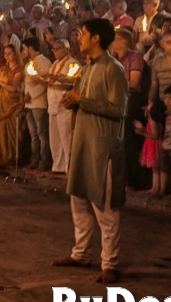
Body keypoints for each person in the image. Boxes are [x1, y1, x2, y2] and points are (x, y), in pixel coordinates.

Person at [52, 19, 128, 284]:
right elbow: (84, 102)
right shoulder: (85, 68)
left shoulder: (113, 69)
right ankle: (81, 253)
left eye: (82, 34)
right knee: (79, 202)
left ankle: (110, 263)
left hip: (102, 146)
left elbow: (118, 110)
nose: (78, 38)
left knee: (105, 208)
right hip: (82, 143)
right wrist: (73, 102)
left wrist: (83, 101)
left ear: (96, 38)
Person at [110, 27, 148, 190]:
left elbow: (134, 83)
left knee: (127, 140)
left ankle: (134, 180)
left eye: (115, 39)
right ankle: (120, 178)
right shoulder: (113, 57)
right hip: (116, 99)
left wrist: (115, 85)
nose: (112, 43)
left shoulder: (135, 57)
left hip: (130, 100)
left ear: (124, 41)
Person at [0, 44, 25, 168]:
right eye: (5, 54)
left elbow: (14, 88)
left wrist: (2, 84)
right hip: (2, 101)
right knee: (0, 130)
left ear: (15, 54)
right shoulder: (3, 68)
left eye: (9, 53)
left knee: (13, 132)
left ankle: (12, 157)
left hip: (13, 104)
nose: (6, 56)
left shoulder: (18, 70)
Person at [45, 39, 79, 175]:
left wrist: (51, 79)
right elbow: (50, 83)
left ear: (67, 49)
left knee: (66, 138)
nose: (56, 51)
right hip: (53, 106)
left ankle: (68, 168)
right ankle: (58, 166)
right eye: (54, 48)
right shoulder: (54, 64)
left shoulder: (73, 63)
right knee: (55, 138)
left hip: (65, 106)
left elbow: (71, 83)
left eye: (59, 48)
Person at [22, 37, 52, 173]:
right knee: (33, 134)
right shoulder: (29, 65)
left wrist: (31, 95)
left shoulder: (44, 62)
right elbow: (27, 83)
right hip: (29, 104)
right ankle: (35, 160)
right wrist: (26, 95)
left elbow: (45, 84)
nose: (23, 51)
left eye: (24, 48)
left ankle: (44, 161)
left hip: (39, 103)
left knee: (42, 135)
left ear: (31, 48)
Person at [135, 100, 165, 196]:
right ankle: (155, 187)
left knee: (157, 168)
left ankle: (157, 188)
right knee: (155, 169)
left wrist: (143, 133)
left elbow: (155, 136)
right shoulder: (152, 120)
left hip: (154, 144)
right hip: (152, 143)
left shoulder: (153, 121)